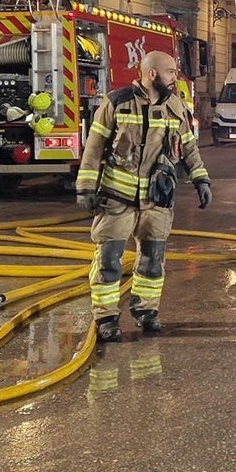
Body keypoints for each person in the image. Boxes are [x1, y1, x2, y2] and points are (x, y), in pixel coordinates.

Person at [75, 50, 211, 342]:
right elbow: (94, 147)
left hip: (156, 200)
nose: (175, 77)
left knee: (153, 258)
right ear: (152, 74)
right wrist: (85, 187)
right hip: (117, 196)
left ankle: (146, 311)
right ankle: (107, 317)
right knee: (109, 259)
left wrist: (201, 179)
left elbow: (189, 149)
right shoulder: (116, 102)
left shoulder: (176, 107)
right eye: (171, 72)